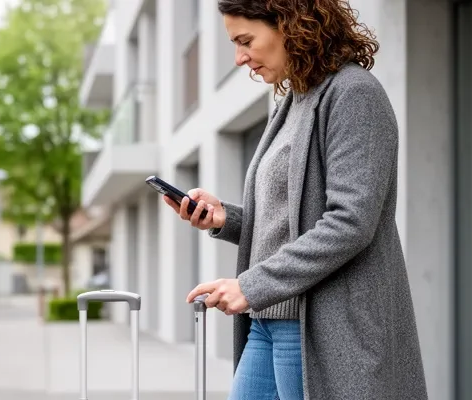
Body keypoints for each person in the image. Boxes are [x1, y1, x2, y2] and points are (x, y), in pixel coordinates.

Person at [162, 0, 429, 399]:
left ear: (290, 24)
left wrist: (250, 286)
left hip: (318, 331)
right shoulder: (291, 103)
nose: (239, 58)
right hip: (270, 322)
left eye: (245, 40)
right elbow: (291, 221)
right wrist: (226, 219)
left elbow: (350, 222)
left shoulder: (354, 94)